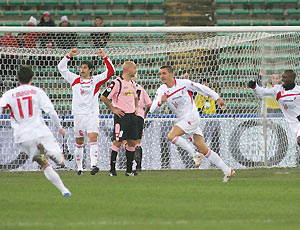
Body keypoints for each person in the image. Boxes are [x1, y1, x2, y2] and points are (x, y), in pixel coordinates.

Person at [150, 66, 235, 182]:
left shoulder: (183, 83)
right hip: (183, 120)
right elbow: (152, 110)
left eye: (164, 73)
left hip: (192, 117)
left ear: (171, 74)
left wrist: (217, 98)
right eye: (160, 74)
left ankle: (194, 154)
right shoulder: (161, 90)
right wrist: (160, 102)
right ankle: (227, 170)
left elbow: (202, 88)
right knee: (204, 149)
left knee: (171, 136)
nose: (162, 76)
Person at [0, 66, 71, 197]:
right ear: (32, 78)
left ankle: (64, 190)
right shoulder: (36, 92)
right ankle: (50, 152)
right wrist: (60, 127)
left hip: (24, 137)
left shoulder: (9, 94)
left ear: (17, 78)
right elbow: (51, 112)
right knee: (61, 161)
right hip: (40, 131)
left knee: (44, 164)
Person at [58, 48, 115, 175]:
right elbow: (61, 68)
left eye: (84, 67)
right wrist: (68, 56)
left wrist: (104, 57)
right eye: (81, 67)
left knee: (93, 138)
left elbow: (111, 71)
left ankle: (94, 164)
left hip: (92, 115)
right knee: (79, 141)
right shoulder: (74, 79)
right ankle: (79, 168)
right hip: (78, 115)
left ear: (90, 70)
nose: (82, 69)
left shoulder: (96, 80)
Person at [100, 61, 139, 176]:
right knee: (118, 141)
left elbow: (135, 97)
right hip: (121, 116)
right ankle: (112, 170)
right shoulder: (117, 82)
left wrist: (136, 107)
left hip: (132, 116)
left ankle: (128, 170)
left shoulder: (132, 83)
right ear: (128, 69)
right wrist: (113, 108)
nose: (136, 70)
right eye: (134, 68)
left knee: (132, 142)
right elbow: (104, 96)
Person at [249, 69, 300, 147]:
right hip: (292, 123)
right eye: (282, 77)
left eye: (285, 77)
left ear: (291, 80)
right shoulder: (277, 89)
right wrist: (254, 87)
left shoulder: (298, 90)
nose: (282, 79)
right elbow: (261, 92)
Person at [133, 80, 152, 171]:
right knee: (138, 142)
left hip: (128, 115)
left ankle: (129, 162)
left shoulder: (124, 87)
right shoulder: (140, 88)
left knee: (124, 141)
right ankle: (138, 165)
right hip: (139, 116)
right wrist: (144, 114)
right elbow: (149, 104)